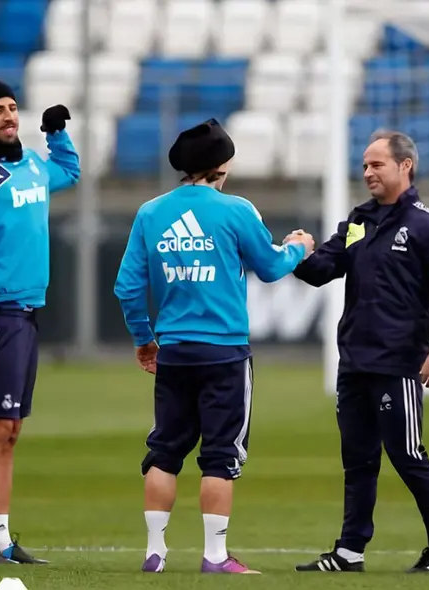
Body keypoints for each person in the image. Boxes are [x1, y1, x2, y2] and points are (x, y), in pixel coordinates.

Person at [114, 119, 313, 575]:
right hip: (224, 351)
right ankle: (215, 556)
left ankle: (155, 552)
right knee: (221, 455)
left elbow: (127, 287)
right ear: (221, 165)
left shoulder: (150, 213)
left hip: (176, 350)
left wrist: (145, 339)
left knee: (165, 450)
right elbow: (269, 267)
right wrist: (298, 247)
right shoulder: (236, 210)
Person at [291, 130, 429, 574]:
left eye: (377, 164)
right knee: (358, 461)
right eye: (365, 165)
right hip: (353, 362)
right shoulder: (358, 220)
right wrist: (296, 253)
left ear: (405, 166)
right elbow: (322, 270)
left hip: (399, 361)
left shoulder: (428, 224)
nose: (367, 172)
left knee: (407, 454)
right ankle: (350, 552)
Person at [0, 79, 81, 565]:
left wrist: (56, 134)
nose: (9, 116)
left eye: (12, 108)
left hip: (27, 313)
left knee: (10, 429)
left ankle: (0, 538)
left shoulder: (32, 163)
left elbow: (68, 171)